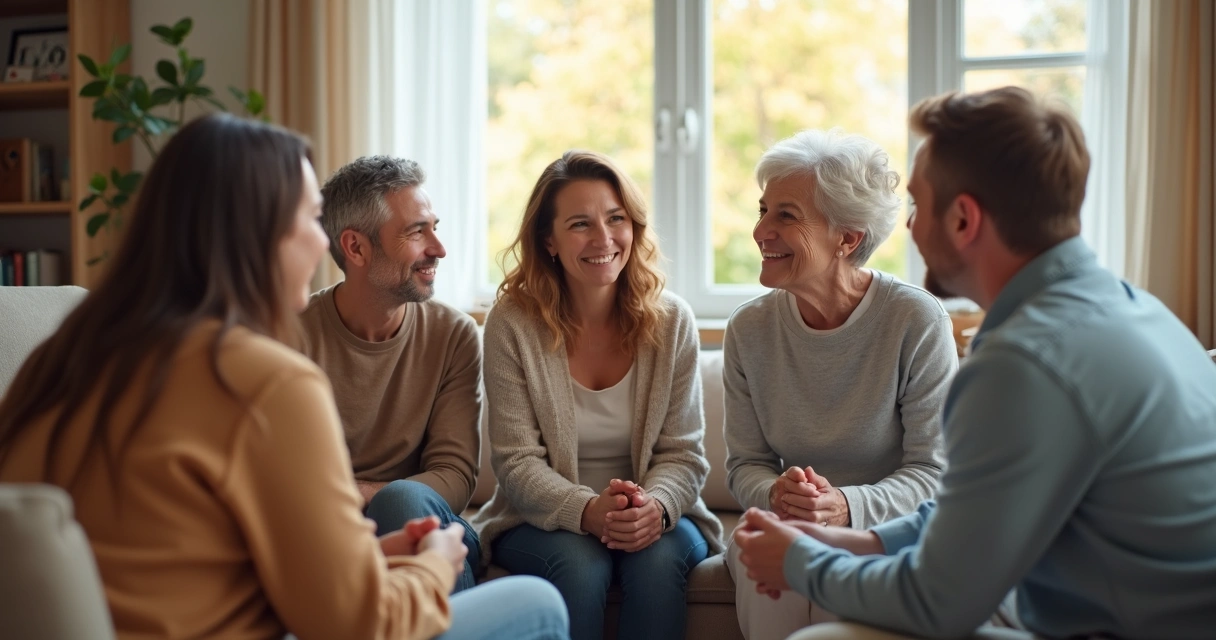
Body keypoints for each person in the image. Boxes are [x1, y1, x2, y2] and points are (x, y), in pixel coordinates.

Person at [0, 114, 569, 640]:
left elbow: (188, 564)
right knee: (538, 603)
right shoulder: (265, 379)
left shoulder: (59, 362)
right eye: (306, 218)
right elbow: (358, 622)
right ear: (255, 236)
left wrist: (366, 557)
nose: (322, 241)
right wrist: (430, 567)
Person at [735, 87, 1216, 640]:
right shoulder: (1130, 309)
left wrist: (798, 564)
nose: (908, 228)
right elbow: (977, 512)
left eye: (917, 205)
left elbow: (935, 603)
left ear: (963, 219)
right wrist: (865, 541)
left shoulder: (1026, 362)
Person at [469, 150, 724, 640]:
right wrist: (588, 511)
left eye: (616, 219)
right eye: (581, 224)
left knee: (654, 562)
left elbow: (683, 454)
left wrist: (655, 507)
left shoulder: (673, 322)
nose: (604, 239)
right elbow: (517, 462)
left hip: (654, 512)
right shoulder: (512, 324)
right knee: (581, 564)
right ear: (549, 240)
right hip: (540, 518)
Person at [723, 129, 955, 640]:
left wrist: (845, 507)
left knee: (837, 578)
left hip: (882, 529)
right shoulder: (749, 329)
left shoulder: (915, 320)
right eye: (762, 211)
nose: (761, 230)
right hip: (783, 520)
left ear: (847, 238)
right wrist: (777, 494)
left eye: (785, 215)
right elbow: (746, 465)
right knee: (762, 563)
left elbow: (933, 472)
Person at [299, 156, 483, 591]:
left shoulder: (453, 335)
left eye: (434, 227)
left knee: (404, 499)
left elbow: (455, 477)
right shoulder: (290, 336)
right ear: (356, 248)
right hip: (327, 533)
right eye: (416, 231)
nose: (438, 248)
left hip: (427, 525)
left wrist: (364, 494)